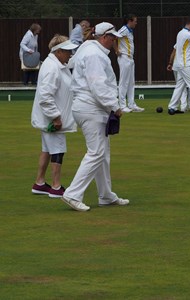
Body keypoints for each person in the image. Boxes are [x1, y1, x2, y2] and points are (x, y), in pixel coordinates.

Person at [61, 22, 130, 212]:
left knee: (102, 153)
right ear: (103, 37)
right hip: (91, 108)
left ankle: (106, 195)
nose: (114, 40)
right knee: (97, 152)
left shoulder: (88, 49)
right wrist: (115, 107)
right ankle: (72, 194)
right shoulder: (94, 55)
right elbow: (97, 85)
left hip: (90, 108)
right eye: (112, 37)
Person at [31, 35, 79, 198]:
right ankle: (56, 187)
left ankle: (39, 183)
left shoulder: (56, 64)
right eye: (67, 51)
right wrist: (56, 117)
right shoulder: (52, 68)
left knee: (47, 150)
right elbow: (45, 97)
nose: (70, 54)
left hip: (49, 118)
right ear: (58, 52)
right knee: (57, 150)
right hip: (52, 120)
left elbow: (74, 61)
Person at [115, 14, 144, 113]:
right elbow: (114, 37)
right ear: (129, 21)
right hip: (124, 58)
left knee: (131, 82)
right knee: (124, 82)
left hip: (130, 58)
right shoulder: (124, 29)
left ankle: (131, 104)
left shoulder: (130, 31)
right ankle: (122, 106)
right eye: (135, 21)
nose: (136, 23)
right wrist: (116, 50)